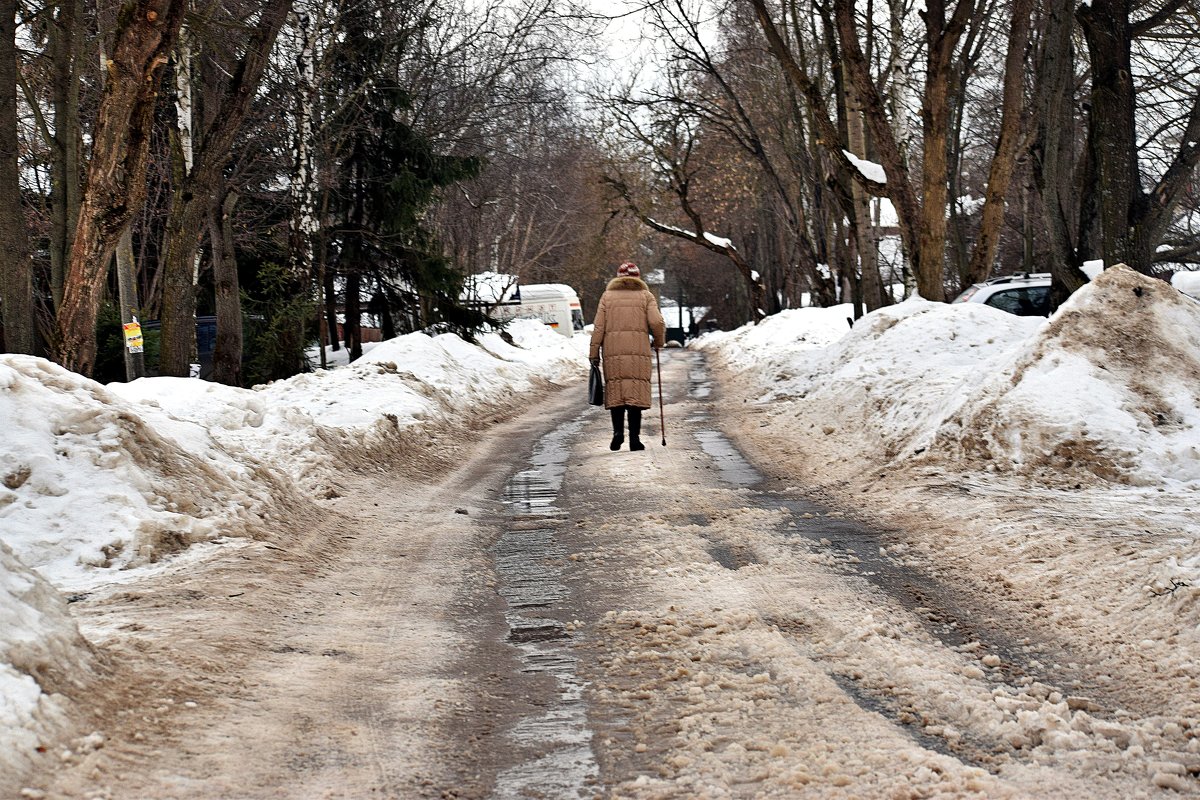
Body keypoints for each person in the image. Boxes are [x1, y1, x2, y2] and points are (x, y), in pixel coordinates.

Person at [589, 262, 666, 451]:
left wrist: (593, 354)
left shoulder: (607, 297)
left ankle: (617, 433)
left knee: (616, 392)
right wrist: (659, 342)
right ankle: (634, 439)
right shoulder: (646, 296)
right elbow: (657, 322)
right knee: (635, 394)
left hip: (612, 353)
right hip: (638, 352)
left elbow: (598, 327)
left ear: (618, 277)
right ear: (638, 278)